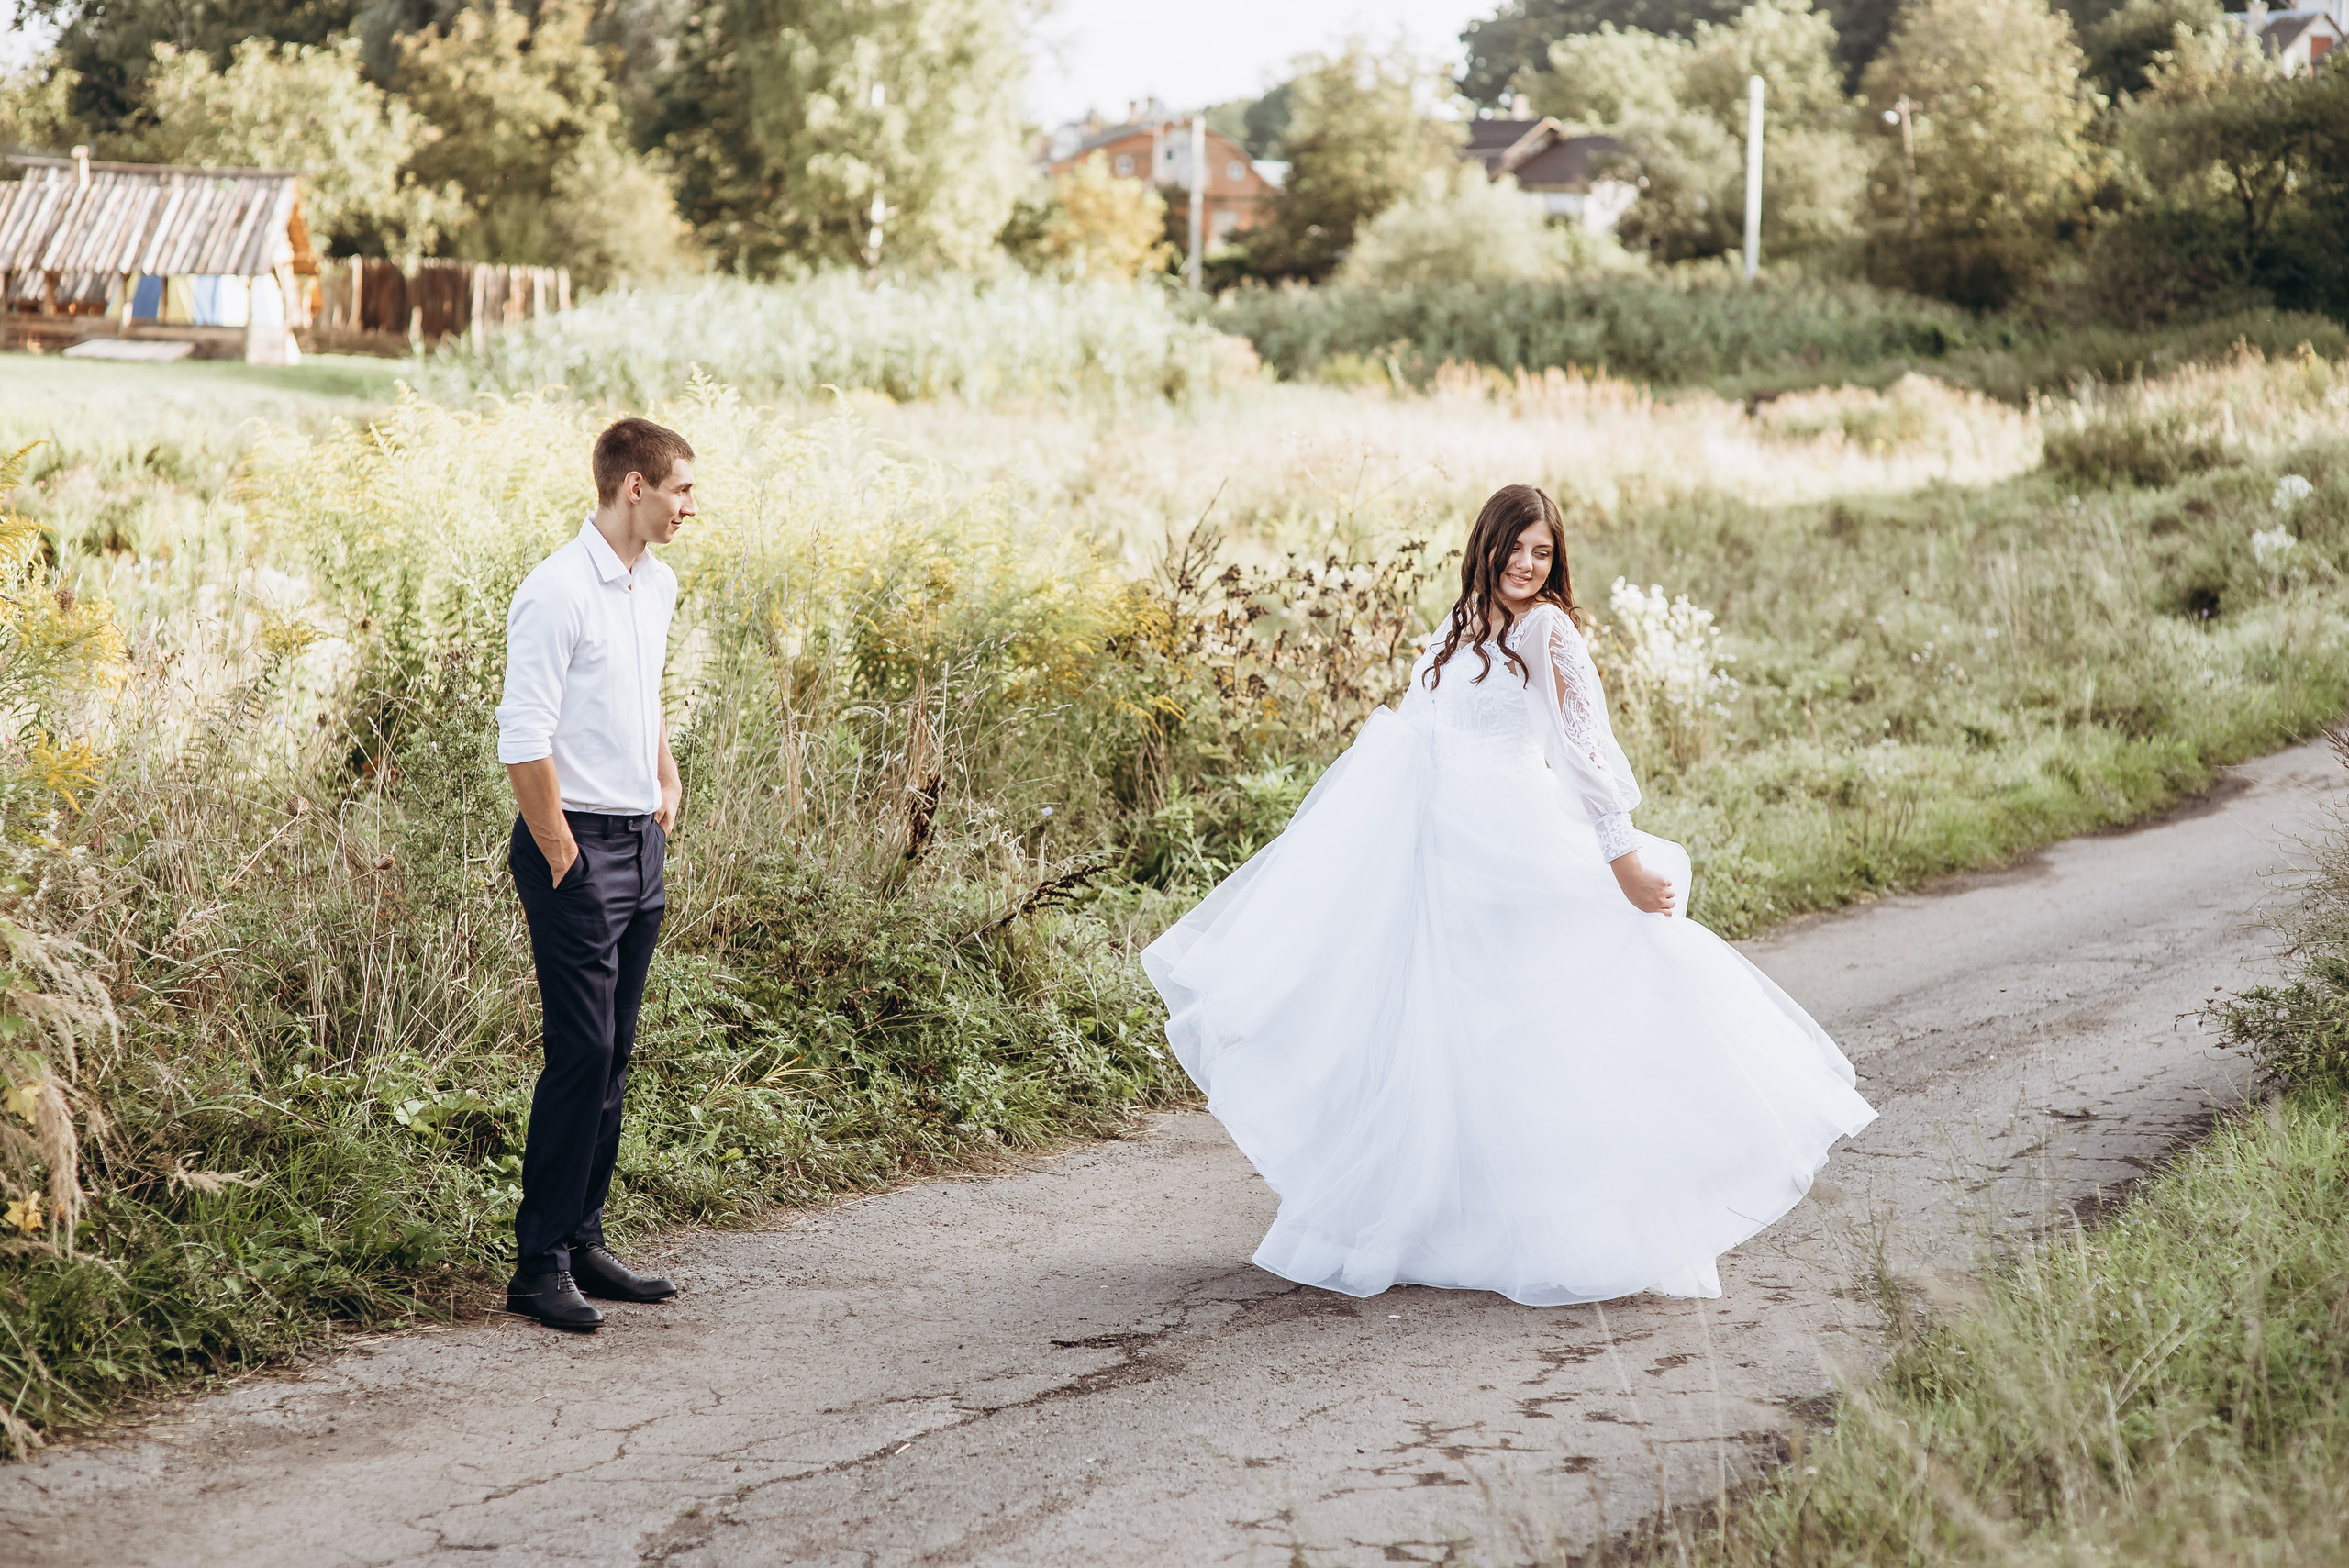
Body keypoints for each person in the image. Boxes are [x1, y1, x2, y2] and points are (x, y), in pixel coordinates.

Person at [1143, 484, 1877, 1306]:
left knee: (1531, 1020)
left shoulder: (1547, 630)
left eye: (1543, 552)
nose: (1529, 565)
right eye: (1516, 548)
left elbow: (1585, 750)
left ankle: (1571, 1219)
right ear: (1485, 546)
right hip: (1435, 849)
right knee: (1440, 1030)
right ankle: (1447, 1218)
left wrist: (1622, 857)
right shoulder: (1455, 628)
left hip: (1514, 843)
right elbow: (1423, 729)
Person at [493, 417, 696, 1331]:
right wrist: (562, 848)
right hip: (572, 848)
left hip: (638, 841)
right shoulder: (555, 590)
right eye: (681, 489)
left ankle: (582, 1239)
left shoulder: (657, 586)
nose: (690, 506)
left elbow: (643, 690)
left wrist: (664, 774)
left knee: (614, 1050)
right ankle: (537, 1267)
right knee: (579, 1054)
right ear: (633, 489)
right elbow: (523, 738)